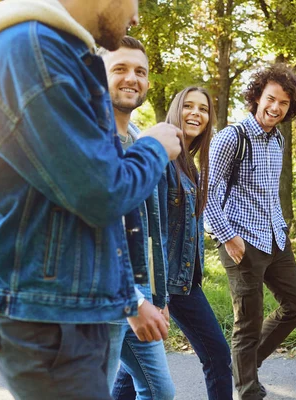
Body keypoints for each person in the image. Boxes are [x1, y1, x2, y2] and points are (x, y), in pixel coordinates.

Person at [0, 1, 182, 399]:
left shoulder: (51, 50)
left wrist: (126, 298)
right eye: (136, 1)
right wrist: (154, 148)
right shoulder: (30, 50)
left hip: (70, 312)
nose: (137, 16)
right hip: (48, 319)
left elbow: (99, 220)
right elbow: (102, 193)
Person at [112, 86, 234, 400]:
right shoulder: (163, 159)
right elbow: (155, 230)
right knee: (217, 355)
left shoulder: (190, 163)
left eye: (204, 109)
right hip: (167, 283)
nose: (196, 113)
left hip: (181, 279)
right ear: (176, 111)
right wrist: (158, 295)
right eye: (189, 106)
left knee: (136, 369)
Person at [204, 63, 296, 400]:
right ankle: (246, 389)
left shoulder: (277, 140)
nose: (275, 108)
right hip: (240, 239)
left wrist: (282, 228)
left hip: (275, 237)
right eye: (271, 99)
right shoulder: (232, 138)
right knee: (247, 323)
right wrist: (227, 236)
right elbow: (206, 193)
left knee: (295, 304)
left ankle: (242, 366)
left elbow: (268, 193)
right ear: (257, 97)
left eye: (284, 104)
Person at [99, 36, 175, 400]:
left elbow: (149, 228)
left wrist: (155, 295)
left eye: (140, 71)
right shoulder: (89, 138)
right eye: (120, 69)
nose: (132, 78)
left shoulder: (139, 139)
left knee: (161, 392)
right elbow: (96, 226)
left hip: (138, 293)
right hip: (104, 297)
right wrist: (131, 301)